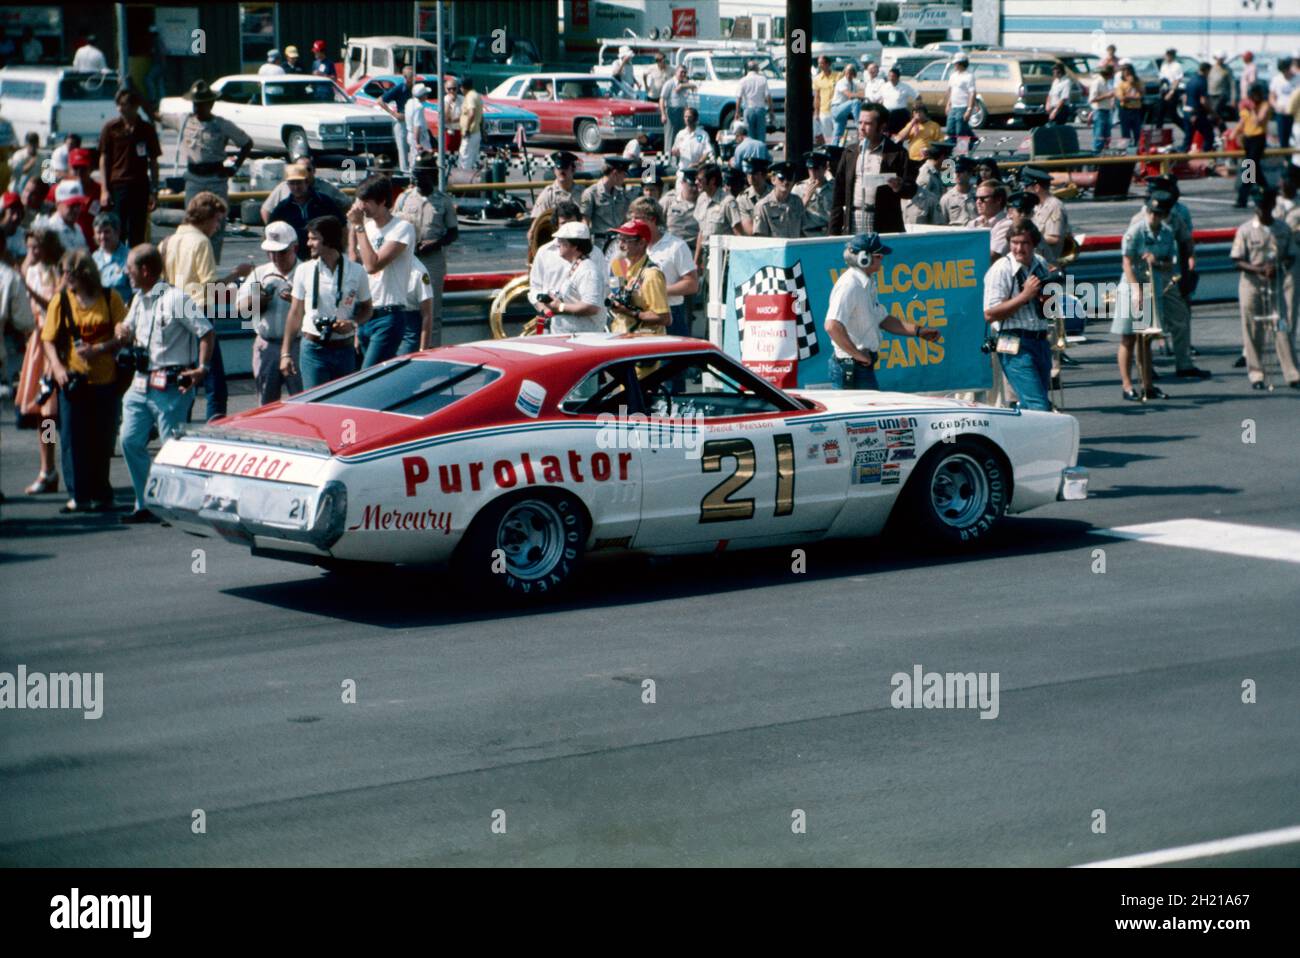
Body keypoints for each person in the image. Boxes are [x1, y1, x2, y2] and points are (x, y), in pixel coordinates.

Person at [115, 243, 215, 523]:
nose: (127, 272)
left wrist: (201, 369)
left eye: (131, 268)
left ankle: (176, 503)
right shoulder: (138, 298)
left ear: (145, 270)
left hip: (171, 385)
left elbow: (206, 332)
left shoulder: (175, 299)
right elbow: (127, 327)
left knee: (171, 446)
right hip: (141, 383)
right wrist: (120, 330)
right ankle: (147, 500)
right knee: (129, 440)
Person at [40, 248, 125, 511]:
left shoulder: (109, 297)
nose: (65, 279)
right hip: (73, 379)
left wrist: (100, 348)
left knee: (101, 437)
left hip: (104, 378)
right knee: (71, 438)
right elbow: (48, 339)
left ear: (84, 274)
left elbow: (123, 334)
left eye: (69, 274)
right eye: (64, 273)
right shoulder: (61, 301)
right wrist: (57, 367)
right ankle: (78, 494)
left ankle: (101, 491)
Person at [162, 191, 254, 421]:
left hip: (173, 312)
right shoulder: (201, 243)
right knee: (213, 377)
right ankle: (216, 423)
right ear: (206, 217)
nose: (217, 227)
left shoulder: (168, 242)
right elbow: (211, 287)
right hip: (197, 313)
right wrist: (236, 274)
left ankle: (180, 422)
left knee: (184, 374)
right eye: (216, 221)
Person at [826, 232, 940, 389]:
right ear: (864, 258)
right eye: (879, 256)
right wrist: (858, 355)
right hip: (851, 367)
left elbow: (882, 319)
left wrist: (918, 331)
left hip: (858, 366)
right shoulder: (850, 285)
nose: (882, 259)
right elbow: (832, 326)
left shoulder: (867, 283)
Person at [281, 216, 371, 389]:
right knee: (314, 406)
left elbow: (368, 309)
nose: (308, 244)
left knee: (343, 405)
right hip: (313, 349)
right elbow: (295, 313)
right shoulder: (304, 270)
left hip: (344, 349)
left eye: (314, 238)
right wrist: (285, 353)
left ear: (329, 240)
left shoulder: (357, 271)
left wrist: (352, 324)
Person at [175, 79, 252, 263]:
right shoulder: (184, 120)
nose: (197, 107)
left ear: (210, 104)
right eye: (195, 103)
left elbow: (246, 142)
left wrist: (235, 167)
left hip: (216, 179)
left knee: (216, 224)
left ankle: (212, 264)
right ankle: (192, 263)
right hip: (194, 179)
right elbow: (157, 115)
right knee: (191, 223)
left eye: (201, 104)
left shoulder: (222, 124)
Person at [1111, 193, 1178, 402]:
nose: (1153, 217)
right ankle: (1127, 385)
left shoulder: (1167, 233)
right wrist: (1136, 290)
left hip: (1152, 288)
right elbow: (1127, 263)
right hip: (1131, 289)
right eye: (1151, 212)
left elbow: (1170, 262)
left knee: (1147, 339)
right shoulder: (1136, 231)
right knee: (1128, 338)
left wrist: (1156, 260)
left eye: (1158, 214)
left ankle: (1148, 385)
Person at [1232, 186, 1300, 390]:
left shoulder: (1282, 228)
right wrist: (1258, 269)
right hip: (1251, 284)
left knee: (1282, 326)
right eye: (1259, 206)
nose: (1261, 210)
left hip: (1275, 281)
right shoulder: (1245, 230)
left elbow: (1291, 255)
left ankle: (1292, 373)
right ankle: (1256, 374)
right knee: (1253, 328)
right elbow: (1237, 260)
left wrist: (1278, 267)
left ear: (1271, 206)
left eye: (1265, 206)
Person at [983, 222, 1056, 411]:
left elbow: (1049, 309)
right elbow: (990, 314)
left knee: (1031, 405)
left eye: (1024, 243)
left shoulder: (1040, 263)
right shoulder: (1002, 269)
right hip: (1013, 341)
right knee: (1038, 405)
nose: (1018, 248)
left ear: (1034, 245)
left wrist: (1049, 295)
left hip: (1040, 340)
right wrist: (1024, 296)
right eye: (1014, 242)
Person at [347, 175, 416, 368]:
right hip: (366, 314)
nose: (361, 207)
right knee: (366, 378)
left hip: (388, 314)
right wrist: (354, 229)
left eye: (366, 202)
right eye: (360, 201)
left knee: (368, 375)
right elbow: (354, 263)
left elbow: (372, 265)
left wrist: (359, 227)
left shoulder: (402, 228)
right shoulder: (366, 228)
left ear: (382, 201)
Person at [392, 153, 458, 351]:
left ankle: (432, 349)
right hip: (407, 259)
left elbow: (453, 232)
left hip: (432, 261)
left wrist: (435, 243)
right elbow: (394, 226)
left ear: (431, 175)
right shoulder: (404, 199)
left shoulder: (443, 201)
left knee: (432, 310)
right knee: (405, 306)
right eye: (415, 174)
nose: (417, 178)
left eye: (421, 174)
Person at [236, 221, 301, 404]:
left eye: (281, 252)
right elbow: (240, 310)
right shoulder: (260, 273)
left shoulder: (306, 272)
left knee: (303, 400)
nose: (275, 258)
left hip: (298, 345)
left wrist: (296, 301)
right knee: (265, 402)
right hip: (267, 344)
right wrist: (258, 300)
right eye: (271, 252)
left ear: (294, 248)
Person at [20, 228, 63, 495]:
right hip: (37, 345)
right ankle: (47, 468)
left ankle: (75, 471)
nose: (33, 253)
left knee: (58, 412)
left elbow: (53, 304)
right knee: (43, 415)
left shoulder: (59, 271)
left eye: (37, 247)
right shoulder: (31, 269)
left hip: (56, 344)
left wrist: (26, 288)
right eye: (30, 247)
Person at [830, 104, 915, 236]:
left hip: (884, 222)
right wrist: (833, 233)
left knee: (880, 256)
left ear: (882, 127)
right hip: (854, 218)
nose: (862, 128)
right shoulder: (850, 152)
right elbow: (838, 194)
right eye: (860, 123)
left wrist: (899, 187)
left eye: (868, 124)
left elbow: (911, 190)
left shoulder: (897, 153)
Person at [97, 88, 161, 247]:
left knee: (137, 232)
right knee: (118, 229)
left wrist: (154, 190)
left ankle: (136, 266)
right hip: (118, 185)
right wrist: (104, 189)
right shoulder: (110, 128)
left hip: (140, 185)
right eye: (119, 104)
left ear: (135, 106)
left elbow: (153, 161)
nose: (121, 108)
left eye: (125, 104)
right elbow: (103, 158)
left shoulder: (146, 129)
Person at [630, 196, 698, 338]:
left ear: (652, 219)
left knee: (674, 360)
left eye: (637, 218)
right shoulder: (633, 246)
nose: (632, 223)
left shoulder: (676, 246)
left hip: (670, 314)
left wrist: (658, 291)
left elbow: (692, 284)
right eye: (631, 219)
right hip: (638, 314)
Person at [535, 221, 606, 334]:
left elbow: (591, 307)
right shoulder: (578, 266)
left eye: (562, 241)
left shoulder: (588, 271)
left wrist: (560, 306)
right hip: (571, 337)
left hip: (582, 340)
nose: (558, 244)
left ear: (574, 246)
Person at [606, 220, 670, 335]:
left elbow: (665, 318)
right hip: (620, 335)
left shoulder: (651, 275)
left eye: (626, 240)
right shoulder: (618, 265)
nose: (620, 245)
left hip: (645, 342)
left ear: (642, 243)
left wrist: (630, 312)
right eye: (619, 239)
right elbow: (616, 294)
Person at [268, 162, 343, 257]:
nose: (296, 187)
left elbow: (342, 227)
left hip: (323, 256)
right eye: (292, 183)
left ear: (307, 182)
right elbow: (270, 232)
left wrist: (340, 251)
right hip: (295, 259)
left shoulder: (324, 202)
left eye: (299, 182)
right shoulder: (282, 208)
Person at [259, 157, 349, 223]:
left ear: (314, 170)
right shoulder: (283, 188)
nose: (296, 187)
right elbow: (266, 209)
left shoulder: (326, 191)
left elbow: (346, 203)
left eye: (308, 169)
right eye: (300, 169)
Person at [694, 162, 744, 271]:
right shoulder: (701, 199)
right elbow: (701, 232)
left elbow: (739, 234)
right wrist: (696, 260)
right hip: (706, 255)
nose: (696, 182)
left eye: (700, 179)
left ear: (712, 181)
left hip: (723, 258)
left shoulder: (728, 202)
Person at [580, 156, 632, 251]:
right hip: (600, 244)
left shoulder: (620, 194)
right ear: (615, 173)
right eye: (623, 175)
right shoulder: (591, 193)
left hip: (618, 243)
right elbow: (585, 222)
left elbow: (624, 220)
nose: (625, 178)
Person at [1022, 166, 1070, 264]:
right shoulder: (1036, 206)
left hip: (1049, 264)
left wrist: (1028, 237)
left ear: (1036, 188)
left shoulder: (1055, 206)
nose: (1024, 190)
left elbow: (1054, 238)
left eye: (1026, 187)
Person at [1236, 83, 1271, 209]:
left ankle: (1242, 198)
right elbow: (1243, 122)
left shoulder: (1264, 106)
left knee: (1249, 166)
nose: (1254, 98)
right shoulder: (1249, 107)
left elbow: (1259, 121)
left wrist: (1252, 109)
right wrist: (1235, 133)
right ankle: (1267, 191)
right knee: (1255, 170)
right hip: (1248, 139)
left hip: (1258, 139)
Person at [751, 161, 805, 239]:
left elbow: (803, 231)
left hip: (794, 249)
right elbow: (760, 238)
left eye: (789, 178)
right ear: (773, 180)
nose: (786, 182)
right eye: (781, 178)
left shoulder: (797, 202)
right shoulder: (763, 206)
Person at [34, 180, 90, 253]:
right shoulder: (51, 229)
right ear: (57, 204)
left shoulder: (77, 228)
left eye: (78, 205)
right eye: (71, 205)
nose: (76, 210)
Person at [91, 212, 132, 305]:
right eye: (99, 232)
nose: (102, 237)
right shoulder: (94, 258)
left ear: (117, 232)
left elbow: (137, 293)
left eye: (106, 232)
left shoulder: (131, 257)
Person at [904, 142, 948, 225]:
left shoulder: (935, 172)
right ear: (942, 158)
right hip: (926, 220)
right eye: (948, 159)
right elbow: (919, 203)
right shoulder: (926, 175)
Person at [896, 101, 944, 176]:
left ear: (925, 113)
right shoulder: (911, 125)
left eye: (919, 112)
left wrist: (930, 151)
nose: (917, 114)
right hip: (911, 160)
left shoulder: (934, 125)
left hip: (926, 159)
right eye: (915, 112)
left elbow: (940, 143)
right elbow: (900, 138)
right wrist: (912, 123)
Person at [533, 151, 584, 220]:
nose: (561, 171)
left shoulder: (583, 193)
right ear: (554, 170)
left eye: (565, 167)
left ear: (573, 169)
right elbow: (537, 222)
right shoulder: (548, 195)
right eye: (559, 168)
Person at [971, 179, 1010, 262]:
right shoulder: (973, 223)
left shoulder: (1007, 225)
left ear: (998, 200)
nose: (978, 202)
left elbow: (992, 256)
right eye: (976, 198)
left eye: (983, 198)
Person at [798, 149, 835, 235]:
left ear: (825, 168)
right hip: (808, 234)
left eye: (816, 168)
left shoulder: (834, 188)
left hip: (829, 233)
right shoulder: (799, 188)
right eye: (810, 168)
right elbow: (793, 216)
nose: (813, 173)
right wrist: (806, 199)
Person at [1182, 61, 1215, 153]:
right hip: (1197, 113)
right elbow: (1203, 101)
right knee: (1209, 136)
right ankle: (1206, 157)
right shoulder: (1202, 81)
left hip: (1187, 111)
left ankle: (1181, 159)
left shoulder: (1191, 80)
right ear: (1207, 70)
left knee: (1188, 138)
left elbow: (1185, 97)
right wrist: (1212, 112)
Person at [659, 65, 694, 151]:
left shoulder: (684, 84)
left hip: (682, 113)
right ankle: (667, 161)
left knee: (681, 138)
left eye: (685, 72)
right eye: (681, 72)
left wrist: (682, 86)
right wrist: (663, 114)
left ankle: (678, 161)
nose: (683, 74)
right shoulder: (669, 83)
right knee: (670, 138)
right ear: (676, 72)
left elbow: (694, 86)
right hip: (671, 112)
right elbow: (662, 99)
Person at [944, 53, 977, 139]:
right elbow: (951, 90)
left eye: (956, 63)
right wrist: (948, 104)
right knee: (950, 130)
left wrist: (969, 109)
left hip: (963, 107)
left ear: (962, 63)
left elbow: (972, 93)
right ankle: (949, 150)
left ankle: (962, 151)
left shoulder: (969, 76)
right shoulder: (953, 76)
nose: (955, 65)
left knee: (960, 131)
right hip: (953, 107)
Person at [736, 60, 772, 141]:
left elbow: (739, 98)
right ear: (757, 69)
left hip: (749, 109)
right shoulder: (763, 79)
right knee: (761, 134)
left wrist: (737, 112)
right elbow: (768, 96)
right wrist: (771, 111)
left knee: (749, 135)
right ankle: (760, 151)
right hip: (760, 109)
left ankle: (751, 151)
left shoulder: (743, 80)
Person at [830, 64, 865, 145]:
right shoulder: (841, 82)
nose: (849, 75)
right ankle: (858, 124)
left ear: (854, 74)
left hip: (844, 111)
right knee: (855, 102)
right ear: (844, 73)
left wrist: (861, 96)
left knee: (837, 135)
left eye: (851, 73)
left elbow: (855, 96)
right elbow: (849, 95)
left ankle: (833, 152)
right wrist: (862, 95)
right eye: (847, 73)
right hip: (837, 108)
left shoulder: (853, 84)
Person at [736, 156, 771, 235]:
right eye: (748, 173)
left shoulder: (774, 194)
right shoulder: (743, 199)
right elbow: (749, 230)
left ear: (764, 175)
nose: (751, 176)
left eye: (754, 173)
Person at [940, 155, 978, 226]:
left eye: (961, 171)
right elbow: (943, 224)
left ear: (969, 173)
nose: (957, 174)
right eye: (955, 171)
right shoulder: (947, 198)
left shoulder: (978, 195)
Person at [1089, 64, 1117, 152]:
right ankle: (1096, 152)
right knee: (1099, 134)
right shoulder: (1097, 82)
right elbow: (1092, 99)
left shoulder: (1107, 82)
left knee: (1106, 135)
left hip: (1107, 110)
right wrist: (1106, 96)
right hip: (1099, 111)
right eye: (1112, 73)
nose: (1113, 75)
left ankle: (1104, 152)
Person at [1269, 58, 1295, 151]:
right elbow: (1272, 97)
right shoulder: (1276, 79)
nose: (1284, 73)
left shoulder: (1298, 78)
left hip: (1295, 114)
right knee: (1283, 138)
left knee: (1296, 137)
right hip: (1281, 113)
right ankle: (1286, 159)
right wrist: (1276, 106)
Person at [1115, 63, 1144, 147]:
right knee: (1125, 132)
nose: (1126, 72)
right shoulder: (1121, 84)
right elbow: (1121, 97)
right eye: (1124, 71)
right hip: (1125, 109)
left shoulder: (1138, 82)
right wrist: (1132, 97)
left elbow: (1141, 94)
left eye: (1128, 70)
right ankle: (1126, 149)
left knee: (1137, 131)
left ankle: (1138, 147)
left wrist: (1134, 84)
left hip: (1135, 109)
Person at [879, 66, 916, 132]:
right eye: (889, 76)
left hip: (900, 114)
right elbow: (878, 98)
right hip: (887, 113)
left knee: (898, 135)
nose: (891, 78)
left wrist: (915, 109)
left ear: (898, 77)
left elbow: (917, 96)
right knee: (885, 134)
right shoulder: (884, 86)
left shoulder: (905, 87)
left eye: (893, 76)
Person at [459, 76, 484, 171]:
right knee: (472, 159)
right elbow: (481, 116)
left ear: (462, 87)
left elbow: (471, 113)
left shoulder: (470, 96)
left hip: (470, 133)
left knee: (464, 160)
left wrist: (467, 129)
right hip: (476, 132)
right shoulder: (476, 95)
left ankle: (463, 183)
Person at [813, 57, 838, 145]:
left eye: (822, 63)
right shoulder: (817, 79)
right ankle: (830, 151)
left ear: (828, 64)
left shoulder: (838, 76)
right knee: (828, 135)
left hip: (836, 109)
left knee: (838, 133)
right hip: (824, 110)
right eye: (819, 63)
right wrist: (816, 112)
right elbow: (817, 97)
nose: (820, 65)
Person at [1159, 49, 1186, 131]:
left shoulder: (1177, 66)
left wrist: (1171, 92)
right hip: (1164, 90)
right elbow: (1162, 79)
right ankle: (1157, 133)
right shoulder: (1164, 66)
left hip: (1173, 91)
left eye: (1168, 55)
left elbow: (1177, 80)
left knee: (1173, 115)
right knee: (1160, 113)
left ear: (1172, 56)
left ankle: (1187, 130)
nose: (1166, 57)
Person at [1208, 51, 1235, 123]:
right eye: (1218, 58)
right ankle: (1222, 130)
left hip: (1221, 95)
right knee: (1216, 114)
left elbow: (1232, 84)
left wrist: (1233, 99)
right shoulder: (1211, 68)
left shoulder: (1227, 69)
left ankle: (1210, 131)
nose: (1220, 60)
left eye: (1222, 59)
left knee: (1214, 113)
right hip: (1210, 94)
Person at [2, 191, 27, 262]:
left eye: (19, 213)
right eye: (12, 212)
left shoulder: (24, 236)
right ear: (3, 213)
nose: (15, 217)